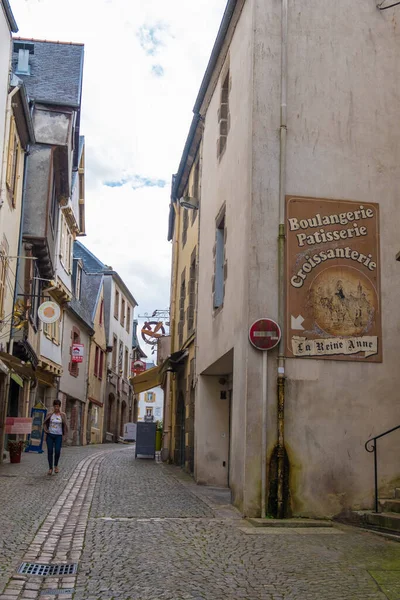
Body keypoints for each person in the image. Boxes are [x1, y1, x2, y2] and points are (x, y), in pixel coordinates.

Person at [43, 400, 68, 476]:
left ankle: (56, 465)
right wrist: (46, 430)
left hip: (58, 435)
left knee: (57, 451)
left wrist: (65, 435)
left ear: (60, 406)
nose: (56, 408)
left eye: (58, 406)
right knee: (50, 451)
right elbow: (44, 423)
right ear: (53, 406)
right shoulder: (50, 414)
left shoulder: (63, 415)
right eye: (55, 406)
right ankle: (50, 468)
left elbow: (65, 425)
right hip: (50, 435)